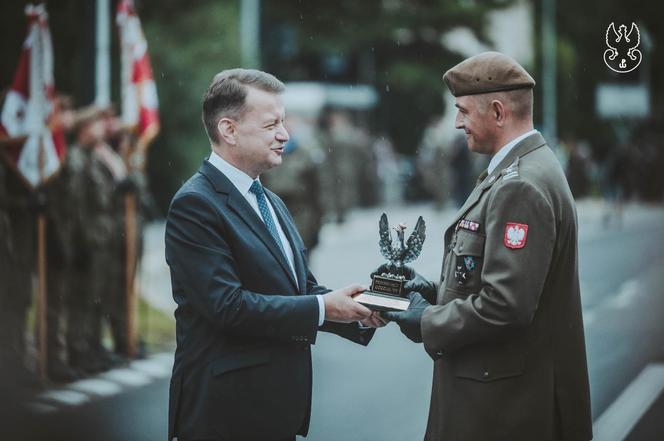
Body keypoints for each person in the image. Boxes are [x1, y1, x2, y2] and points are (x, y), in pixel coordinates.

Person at [380, 52, 592, 440]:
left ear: (497, 111)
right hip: (504, 397)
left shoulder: (520, 185)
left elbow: (505, 305)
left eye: (462, 111)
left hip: (505, 408)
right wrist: (431, 291)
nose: (457, 122)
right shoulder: (522, 168)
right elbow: (492, 277)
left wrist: (427, 322)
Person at [165, 69, 383, 441]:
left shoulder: (269, 199)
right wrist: (323, 308)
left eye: (283, 122)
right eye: (271, 125)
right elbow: (226, 306)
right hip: (226, 415)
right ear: (228, 130)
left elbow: (296, 288)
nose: (285, 134)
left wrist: (359, 308)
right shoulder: (196, 205)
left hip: (272, 410)